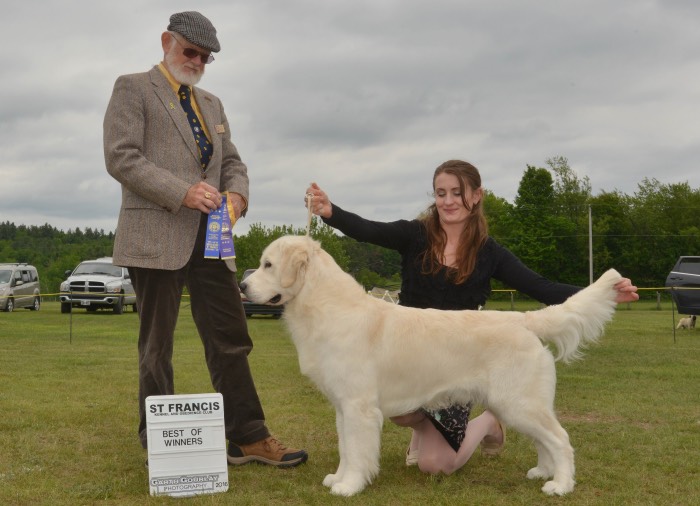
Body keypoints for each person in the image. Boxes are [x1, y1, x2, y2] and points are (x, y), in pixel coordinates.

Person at [305, 159, 638, 475]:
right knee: (397, 407)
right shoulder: (415, 235)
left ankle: (490, 421)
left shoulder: (489, 253)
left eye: (457, 192)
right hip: (411, 356)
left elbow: (543, 288)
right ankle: (424, 428)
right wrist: (330, 212)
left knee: (436, 465)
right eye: (440, 193)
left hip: (461, 361)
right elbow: (368, 230)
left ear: (477, 196)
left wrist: (603, 292)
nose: (448, 201)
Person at [104, 11, 307, 467]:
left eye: (205, 57)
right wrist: (182, 191)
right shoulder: (132, 88)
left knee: (231, 337)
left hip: (212, 241)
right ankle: (158, 437)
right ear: (166, 42)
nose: (197, 61)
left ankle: (248, 437)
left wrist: (237, 194)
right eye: (190, 51)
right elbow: (121, 157)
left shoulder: (212, 104)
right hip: (156, 234)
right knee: (156, 345)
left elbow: (231, 161)